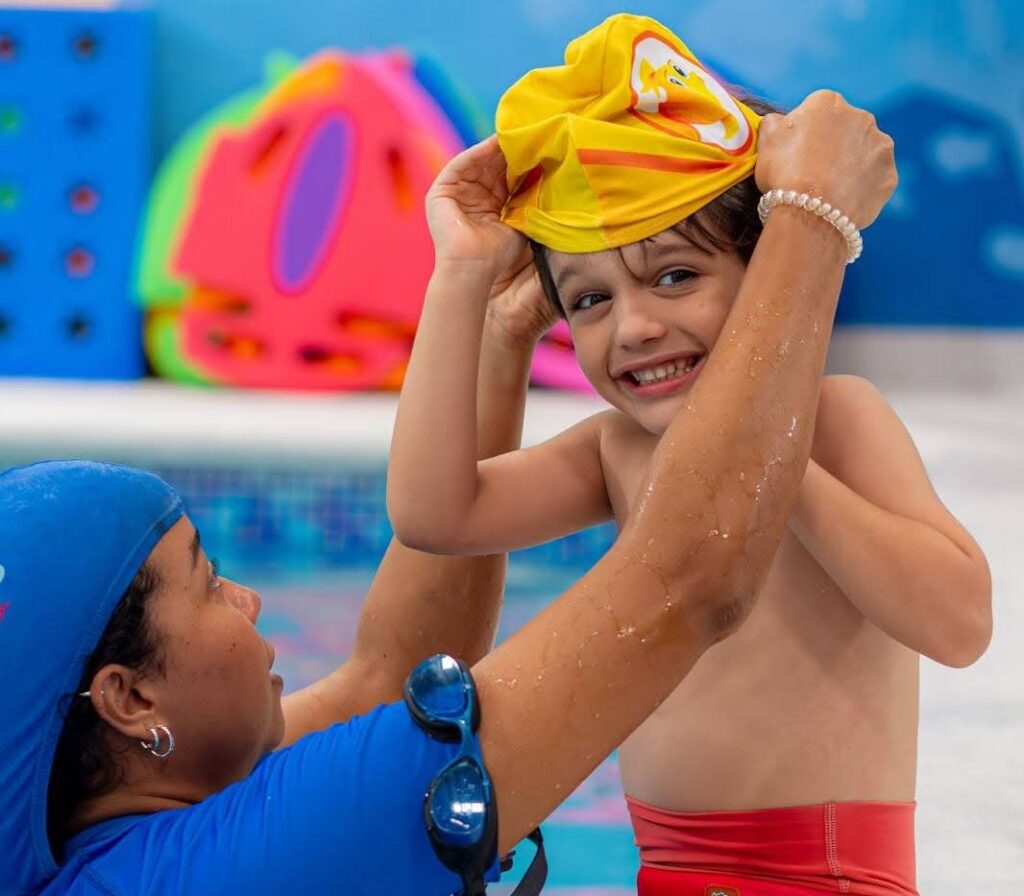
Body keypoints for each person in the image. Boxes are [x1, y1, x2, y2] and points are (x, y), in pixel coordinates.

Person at [3, 20, 893, 896]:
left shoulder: (109, 836)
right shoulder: (256, 855)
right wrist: (808, 222)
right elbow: (689, 579)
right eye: (207, 582)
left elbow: (392, 674)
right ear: (128, 701)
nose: (249, 598)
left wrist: (496, 326)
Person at [388, 13, 991, 896]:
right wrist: (466, 280)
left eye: (677, 276)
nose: (634, 326)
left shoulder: (839, 420)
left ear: (767, 271)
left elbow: (961, 624)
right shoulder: (617, 452)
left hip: (829, 877)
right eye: (590, 300)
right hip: (665, 873)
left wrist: (770, 455)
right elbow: (437, 514)